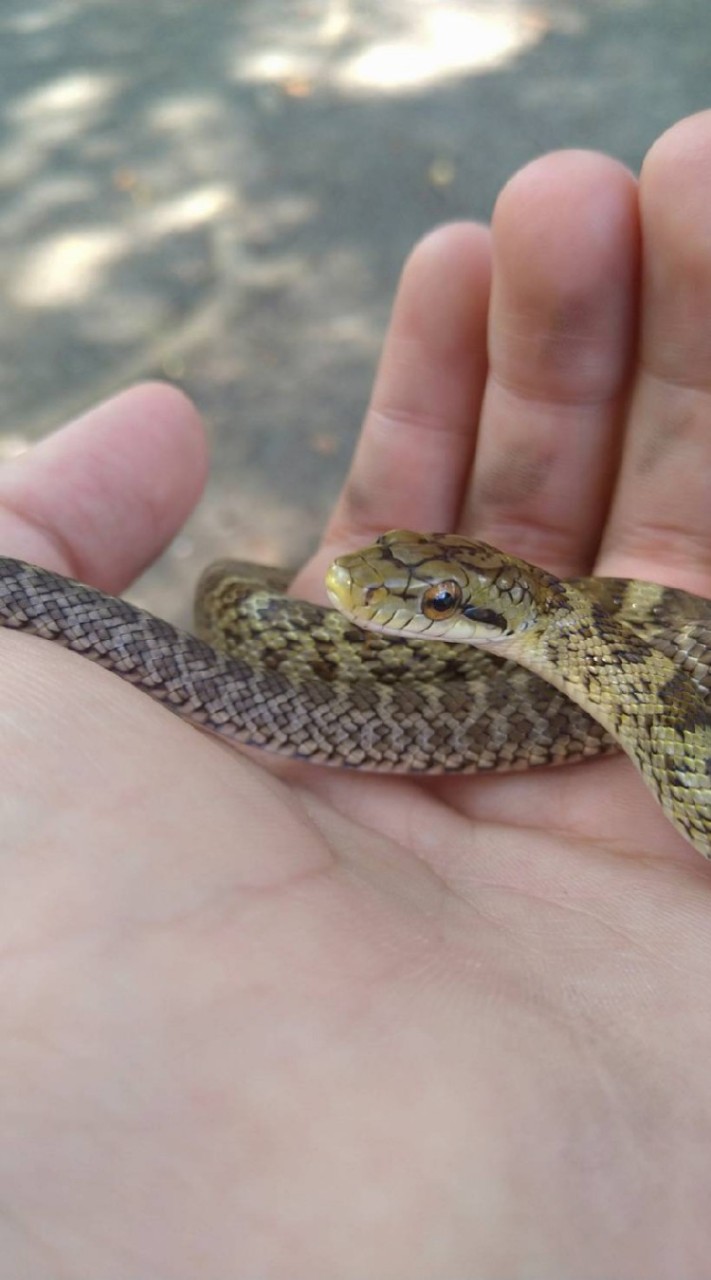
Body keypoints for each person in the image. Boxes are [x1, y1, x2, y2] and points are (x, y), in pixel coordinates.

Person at [1, 111, 710, 1277]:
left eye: (424, 602)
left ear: (495, 609)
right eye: (407, 585)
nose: (367, 594)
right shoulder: (578, 636)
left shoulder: (617, 657)